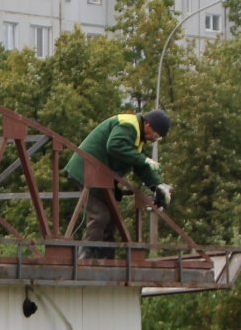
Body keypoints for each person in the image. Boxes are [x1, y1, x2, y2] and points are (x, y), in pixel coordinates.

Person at [62, 108, 172, 257]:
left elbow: (138, 165)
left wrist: (157, 185)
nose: (155, 139)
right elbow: (114, 146)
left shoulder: (137, 137)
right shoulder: (129, 126)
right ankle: (86, 257)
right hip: (86, 171)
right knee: (99, 216)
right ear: (148, 125)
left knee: (112, 217)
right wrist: (143, 159)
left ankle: (106, 258)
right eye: (156, 135)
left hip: (98, 175)